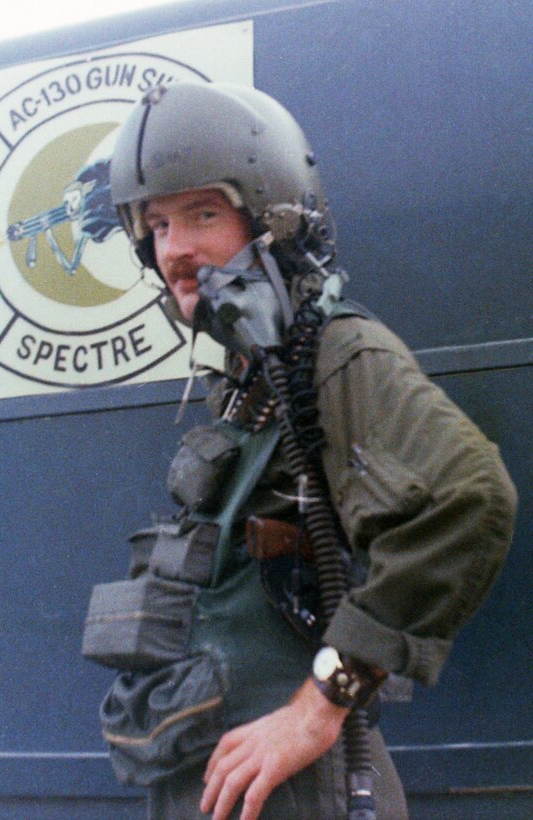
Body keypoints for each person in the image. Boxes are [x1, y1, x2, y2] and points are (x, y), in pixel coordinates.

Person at [88, 82, 517, 820]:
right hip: (228, 779)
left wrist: (318, 708)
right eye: (157, 225)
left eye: (202, 214)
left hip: (296, 792)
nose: (176, 251)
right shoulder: (260, 373)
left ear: (274, 218)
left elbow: (467, 497)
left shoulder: (334, 350)